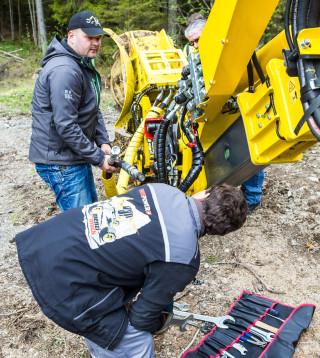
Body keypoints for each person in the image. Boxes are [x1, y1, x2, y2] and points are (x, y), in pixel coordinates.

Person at [15, 183, 247, 358]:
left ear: (204, 195)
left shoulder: (162, 190)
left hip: (46, 239)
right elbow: (142, 318)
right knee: (138, 342)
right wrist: (162, 322)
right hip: (63, 283)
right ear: (220, 233)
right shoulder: (184, 258)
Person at [29, 11, 117, 212]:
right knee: (81, 224)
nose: (95, 43)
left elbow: (92, 109)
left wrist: (102, 142)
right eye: (89, 37)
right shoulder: (65, 70)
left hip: (74, 154)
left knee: (90, 216)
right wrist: (97, 158)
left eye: (98, 38)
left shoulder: (80, 64)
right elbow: (66, 125)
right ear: (71, 36)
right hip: (61, 161)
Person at [184, 19, 264, 214]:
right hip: (219, 112)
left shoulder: (229, 51)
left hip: (240, 107)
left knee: (249, 151)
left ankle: (252, 198)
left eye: (197, 40)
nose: (194, 45)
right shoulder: (199, 55)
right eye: (191, 42)